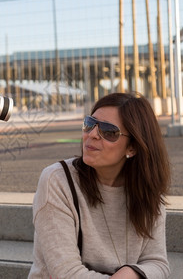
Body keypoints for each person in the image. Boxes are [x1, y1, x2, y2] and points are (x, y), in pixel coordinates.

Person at [28, 92, 171, 278]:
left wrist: (131, 273)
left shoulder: (146, 191)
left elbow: (158, 262)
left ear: (132, 147)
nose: (92, 134)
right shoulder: (57, 180)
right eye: (89, 124)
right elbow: (66, 273)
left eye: (109, 131)